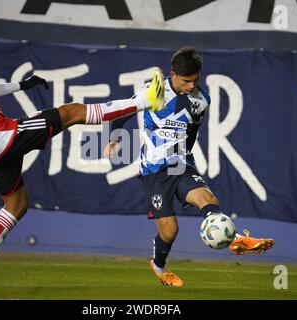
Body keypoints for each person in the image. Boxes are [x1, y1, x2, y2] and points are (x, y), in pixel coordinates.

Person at [0, 4, 165, 297]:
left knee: (16, 205)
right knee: (70, 113)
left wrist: (20, 85)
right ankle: (146, 101)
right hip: (0, 137)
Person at [104, 46, 275, 287]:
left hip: (181, 163)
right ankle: (159, 266)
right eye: (186, 81)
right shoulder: (154, 91)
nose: (191, 86)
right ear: (172, 75)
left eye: (195, 80)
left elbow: (192, 132)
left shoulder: (202, 100)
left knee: (208, 199)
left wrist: (184, 156)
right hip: (154, 171)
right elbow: (122, 113)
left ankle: (235, 239)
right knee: (170, 231)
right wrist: (114, 139)